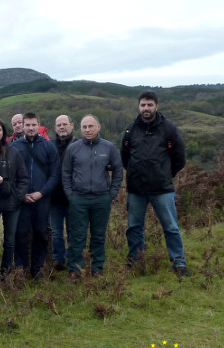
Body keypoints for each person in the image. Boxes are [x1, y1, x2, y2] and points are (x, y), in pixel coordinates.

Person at [121, 90, 189, 275]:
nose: (146, 108)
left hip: (162, 189)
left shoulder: (169, 129)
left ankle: (179, 263)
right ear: (139, 106)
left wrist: (165, 174)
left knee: (171, 227)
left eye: (150, 105)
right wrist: (135, 174)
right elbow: (124, 158)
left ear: (156, 106)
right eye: (143, 105)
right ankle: (135, 260)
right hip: (136, 190)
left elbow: (179, 158)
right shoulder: (131, 129)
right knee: (134, 227)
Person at [62, 115, 123, 279]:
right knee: (77, 236)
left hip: (101, 198)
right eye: (84, 127)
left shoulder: (108, 147)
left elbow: (118, 170)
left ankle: (97, 269)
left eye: (90, 126)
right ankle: (75, 270)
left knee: (98, 234)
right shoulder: (73, 148)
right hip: (78, 199)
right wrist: (70, 194)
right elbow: (66, 172)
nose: (87, 130)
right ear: (80, 129)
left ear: (99, 127)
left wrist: (112, 193)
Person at [11, 112, 61, 279]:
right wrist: (21, 194)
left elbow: (55, 174)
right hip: (22, 199)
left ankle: (38, 269)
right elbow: (11, 175)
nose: (31, 128)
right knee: (21, 234)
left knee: (40, 233)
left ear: (38, 125)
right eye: (27, 125)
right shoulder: (15, 147)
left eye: (34, 125)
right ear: (22, 126)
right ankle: (21, 269)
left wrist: (42, 192)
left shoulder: (48, 147)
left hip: (42, 199)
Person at [0, 118, 29, 282]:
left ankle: (6, 273)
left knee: (9, 240)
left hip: (11, 203)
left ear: (4, 133)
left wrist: (18, 196)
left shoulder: (14, 152)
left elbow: (23, 178)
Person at [49, 115, 76, 271]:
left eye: (65, 124)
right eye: (59, 125)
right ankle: (58, 261)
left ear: (71, 125)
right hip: (55, 198)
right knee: (56, 233)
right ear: (55, 128)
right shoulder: (50, 146)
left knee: (73, 232)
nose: (62, 127)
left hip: (73, 198)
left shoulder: (79, 144)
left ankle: (74, 260)